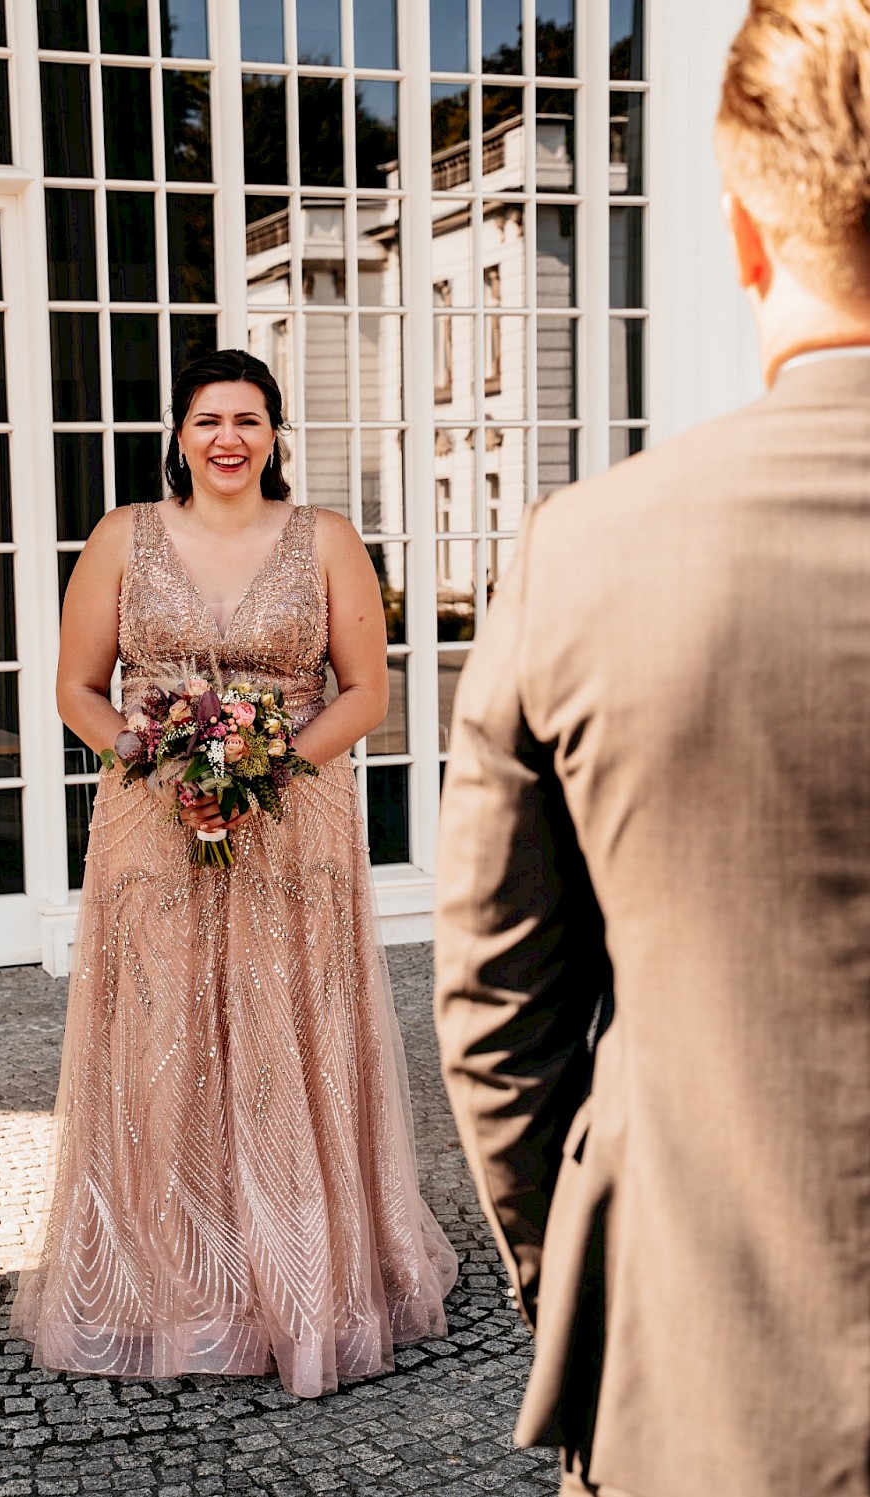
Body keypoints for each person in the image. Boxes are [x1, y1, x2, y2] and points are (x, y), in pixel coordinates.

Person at [433, 2, 870, 1493]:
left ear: (746, 235)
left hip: (697, 1403)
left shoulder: (584, 558)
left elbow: (497, 1009)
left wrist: (585, 1292)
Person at [12, 349, 456, 1398]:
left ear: (274, 434)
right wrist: (154, 763)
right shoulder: (124, 538)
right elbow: (78, 687)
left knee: (284, 1032)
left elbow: (365, 695)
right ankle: (162, 1277)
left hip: (292, 826)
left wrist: (261, 769)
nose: (228, 438)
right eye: (209, 419)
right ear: (178, 433)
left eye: (249, 420)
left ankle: (300, 1277)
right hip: (149, 823)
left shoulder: (327, 541)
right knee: (160, 1034)